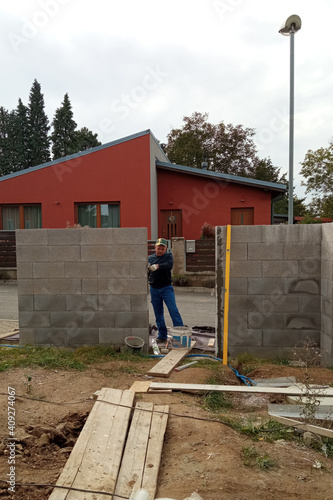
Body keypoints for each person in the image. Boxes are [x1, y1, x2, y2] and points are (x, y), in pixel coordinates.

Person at [148, 238, 184, 342]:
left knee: (173, 311)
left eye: (163, 249)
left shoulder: (168, 256)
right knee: (158, 314)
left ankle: (180, 335)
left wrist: (158, 266)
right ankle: (162, 335)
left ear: (166, 249)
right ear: (155, 248)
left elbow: (169, 265)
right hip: (154, 289)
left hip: (166, 288)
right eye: (159, 248)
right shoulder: (150, 259)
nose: (160, 251)